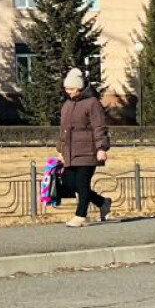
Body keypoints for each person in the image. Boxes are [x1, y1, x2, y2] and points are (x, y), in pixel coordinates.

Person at [56, 67, 113, 227]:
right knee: (69, 183)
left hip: (88, 151)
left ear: (80, 87)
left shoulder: (92, 103)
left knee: (82, 184)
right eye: (66, 88)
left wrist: (101, 148)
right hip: (70, 152)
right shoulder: (67, 104)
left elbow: (99, 127)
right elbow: (63, 130)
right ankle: (102, 203)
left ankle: (81, 216)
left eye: (71, 89)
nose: (68, 92)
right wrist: (60, 150)